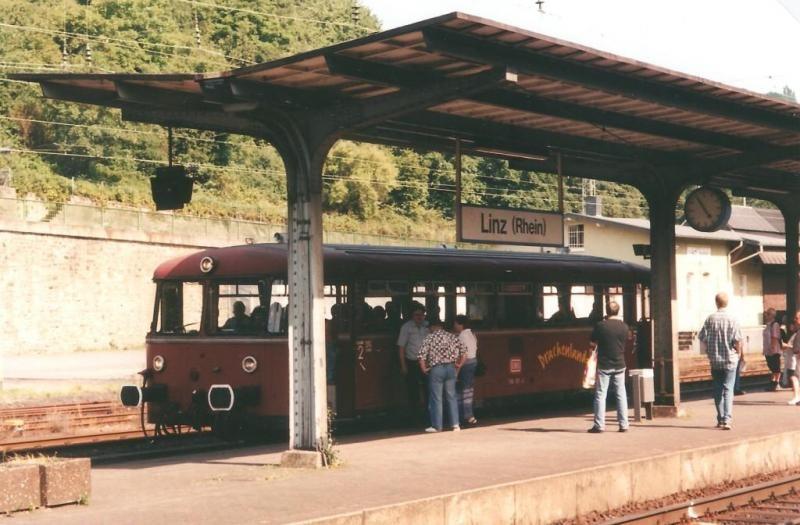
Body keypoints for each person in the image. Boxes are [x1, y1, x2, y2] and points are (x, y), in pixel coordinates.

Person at [698, 292, 742, 430]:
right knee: (728, 389)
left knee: (717, 389)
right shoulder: (733, 319)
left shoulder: (710, 319)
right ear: (727, 303)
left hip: (715, 360)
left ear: (716, 302)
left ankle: (721, 418)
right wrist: (739, 353)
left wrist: (708, 351)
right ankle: (727, 420)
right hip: (730, 360)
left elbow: (702, 337)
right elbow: (737, 340)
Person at [587, 300, 630, 433]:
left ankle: (599, 425)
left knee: (601, 394)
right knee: (621, 394)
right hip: (620, 364)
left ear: (606, 311)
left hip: (604, 364)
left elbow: (592, 343)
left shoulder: (600, 326)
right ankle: (624, 425)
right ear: (619, 311)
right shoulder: (624, 327)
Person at [417, 319, 467, 432]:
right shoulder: (452, 336)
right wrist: (459, 365)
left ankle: (437, 426)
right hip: (451, 368)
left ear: (433, 327)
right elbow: (464, 352)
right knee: (452, 396)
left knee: (437, 398)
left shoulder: (429, 338)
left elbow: (421, 356)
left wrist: (424, 368)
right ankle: (455, 424)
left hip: (437, 369)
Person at [397, 305, 430, 420]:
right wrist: (403, 365)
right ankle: (414, 416)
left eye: (421, 315)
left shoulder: (427, 326)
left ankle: (428, 413)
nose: (419, 317)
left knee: (428, 389)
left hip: (426, 362)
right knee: (413, 390)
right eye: (416, 315)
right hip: (412, 362)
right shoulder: (406, 327)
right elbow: (401, 347)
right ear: (412, 316)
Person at [454, 315, 478, 426]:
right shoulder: (472, 333)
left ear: (460, 324)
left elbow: (462, 354)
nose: (454, 326)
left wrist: (457, 370)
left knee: (463, 391)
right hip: (473, 362)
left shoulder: (462, 336)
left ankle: (467, 416)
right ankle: (467, 415)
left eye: (455, 324)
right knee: (468, 390)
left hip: (465, 363)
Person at [762, 308, 782, 391]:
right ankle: (773, 383)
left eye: (767, 314)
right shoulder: (768, 325)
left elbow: (774, 337)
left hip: (774, 350)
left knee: (775, 367)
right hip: (768, 350)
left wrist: (772, 348)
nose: (765, 316)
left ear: (771, 315)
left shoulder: (775, 324)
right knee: (772, 367)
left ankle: (776, 383)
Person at [785, 313, 800, 404]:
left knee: (795, 377)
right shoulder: (797, 332)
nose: (795, 320)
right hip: (797, 357)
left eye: (797, 318)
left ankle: (797, 397)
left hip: (797, 357)